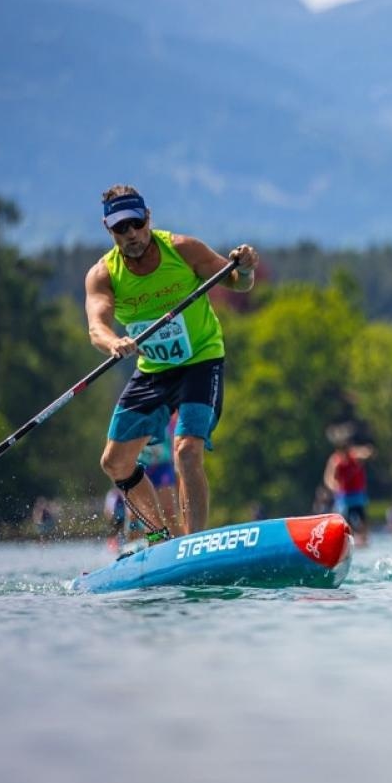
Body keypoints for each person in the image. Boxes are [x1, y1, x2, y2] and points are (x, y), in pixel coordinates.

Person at [84, 185, 258, 539]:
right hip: (153, 372)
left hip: (200, 361)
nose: (131, 233)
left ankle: (192, 542)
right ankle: (161, 538)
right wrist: (115, 342)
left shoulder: (183, 249)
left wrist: (247, 268)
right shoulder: (103, 274)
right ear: (109, 230)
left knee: (186, 451)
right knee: (114, 462)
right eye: (121, 228)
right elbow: (96, 327)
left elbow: (238, 283)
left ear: (148, 218)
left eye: (136, 223)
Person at [323, 423, 372, 545]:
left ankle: (364, 540)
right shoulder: (335, 460)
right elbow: (328, 478)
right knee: (347, 522)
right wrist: (333, 485)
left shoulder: (355, 455)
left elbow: (367, 452)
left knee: (362, 520)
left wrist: (366, 454)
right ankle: (350, 541)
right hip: (345, 497)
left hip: (358, 496)